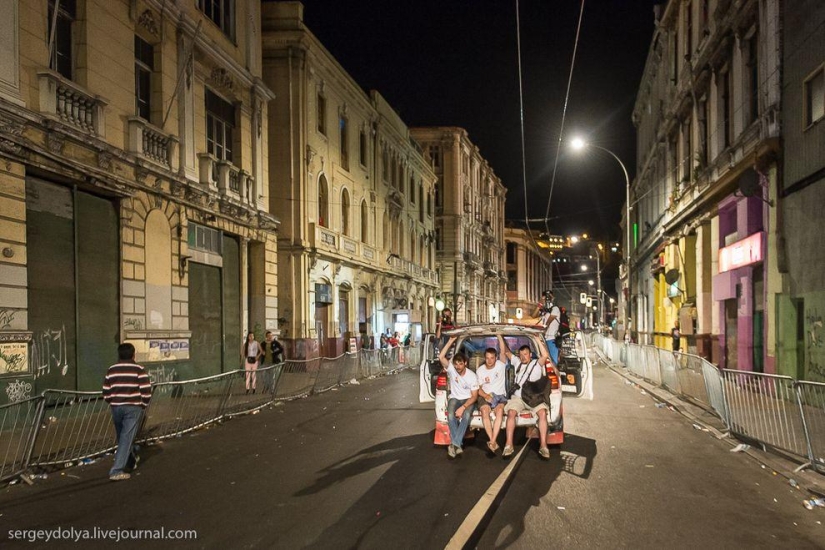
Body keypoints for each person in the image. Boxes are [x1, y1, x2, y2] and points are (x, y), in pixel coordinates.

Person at [102, 343, 152, 481]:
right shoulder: (139, 370)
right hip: (133, 407)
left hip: (116, 407)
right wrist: (143, 405)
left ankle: (131, 460)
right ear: (133, 354)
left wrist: (112, 402)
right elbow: (146, 390)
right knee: (126, 438)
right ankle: (116, 470)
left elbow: (106, 391)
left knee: (122, 437)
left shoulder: (111, 370)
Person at [498, 336, 552, 460]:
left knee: (542, 413)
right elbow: (506, 352)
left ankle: (543, 446)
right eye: (521, 354)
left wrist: (537, 339)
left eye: (525, 354)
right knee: (511, 413)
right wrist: (499, 336)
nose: (523, 357)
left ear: (530, 354)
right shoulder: (517, 362)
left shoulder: (536, 363)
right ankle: (509, 445)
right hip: (519, 398)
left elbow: (545, 355)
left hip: (534, 398)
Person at [439, 336, 479, 458]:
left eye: (460, 364)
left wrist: (463, 407)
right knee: (450, 415)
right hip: (455, 398)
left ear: (465, 363)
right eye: (456, 364)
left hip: (468, 399)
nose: (457, 367)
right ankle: (458, 444)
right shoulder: (452, 370)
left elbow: (474, 397)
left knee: (466, 415)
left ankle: (454, 443)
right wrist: (451, 342)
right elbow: (441, 357)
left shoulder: (472, 376)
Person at [476, 346, 508, 453]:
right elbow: (478, 389)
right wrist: (486, 396)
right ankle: (492, 441)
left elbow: (503, 351)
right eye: (487, 358)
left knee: (499, 411)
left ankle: (493, 441)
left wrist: (499, 334)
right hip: (486, 395)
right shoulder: (480, 370)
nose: (489, 360)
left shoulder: (501, 365)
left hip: (500, 396)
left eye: (492, 358)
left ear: (496, 358)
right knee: (484, 411)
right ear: (484, 358)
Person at [538, 292, 561, 365]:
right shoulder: (543, 310)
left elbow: (548, 322)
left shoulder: (555, 309)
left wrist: (543, 330)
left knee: (553, 361)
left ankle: (555, 374)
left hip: (552, 339)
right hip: (544, 339)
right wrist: (539, 305)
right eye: (545, 298)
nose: (547, 300)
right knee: (544, 361)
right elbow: (533, 315)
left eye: (549, 298)